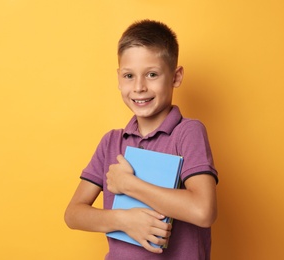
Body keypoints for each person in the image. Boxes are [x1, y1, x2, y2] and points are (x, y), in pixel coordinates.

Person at [64, 19, 218, 260]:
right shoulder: (111, 142)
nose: (138, 87)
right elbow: (73, 214)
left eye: (152, 74)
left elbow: (203, 210)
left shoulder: (187, 133)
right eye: (128, 76)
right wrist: (124, 220)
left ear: (176, 77)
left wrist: (128, 184)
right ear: (118, 78)